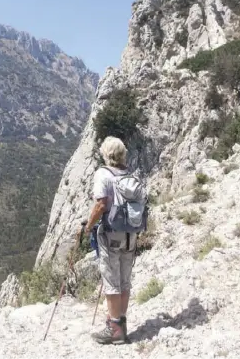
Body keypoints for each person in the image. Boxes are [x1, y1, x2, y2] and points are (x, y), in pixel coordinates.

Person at [80, 136, 137, 345]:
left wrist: (88, 227)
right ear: (122, 154)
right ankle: (121, 324)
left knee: (112, 282)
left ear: (106, 154)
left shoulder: (103, 175)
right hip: (131, 235)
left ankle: (114, 330)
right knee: (124, 281)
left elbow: (101, 204)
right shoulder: (129, 174)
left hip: (111, 235)